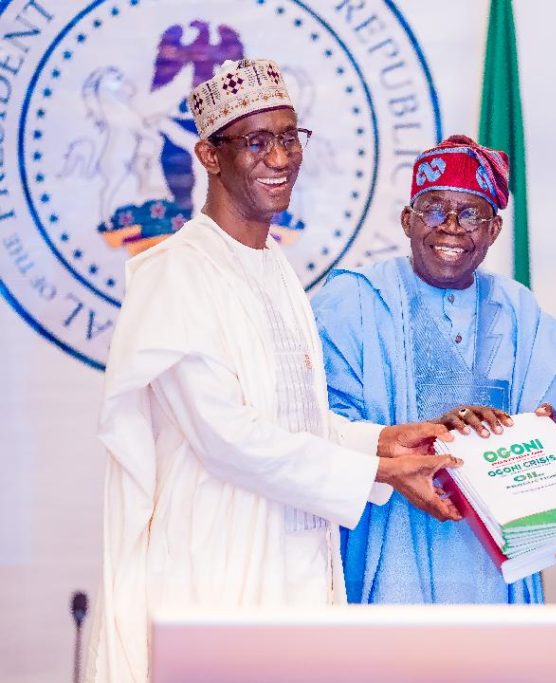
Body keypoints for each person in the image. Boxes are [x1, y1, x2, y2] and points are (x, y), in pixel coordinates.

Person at [89, 58, 461, 682]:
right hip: (214, 563)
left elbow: (290, 416)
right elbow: (226, 437)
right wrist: (379, 471)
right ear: (209, 155)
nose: (280, 158)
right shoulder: (174, 273)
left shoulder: (273, 269)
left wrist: (382, 439)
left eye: (290, 138)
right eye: (256, 142)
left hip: (293, 555)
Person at [312, 134, 556, 604]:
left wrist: (513, 429)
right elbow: (317, 426)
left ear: (494, 229)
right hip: (389, 539)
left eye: (471, 213)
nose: (451, 227)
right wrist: (423, 434)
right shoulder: (351, 300)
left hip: (491, 552)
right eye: (434, 209)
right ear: (407, 220)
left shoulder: (518, 309)